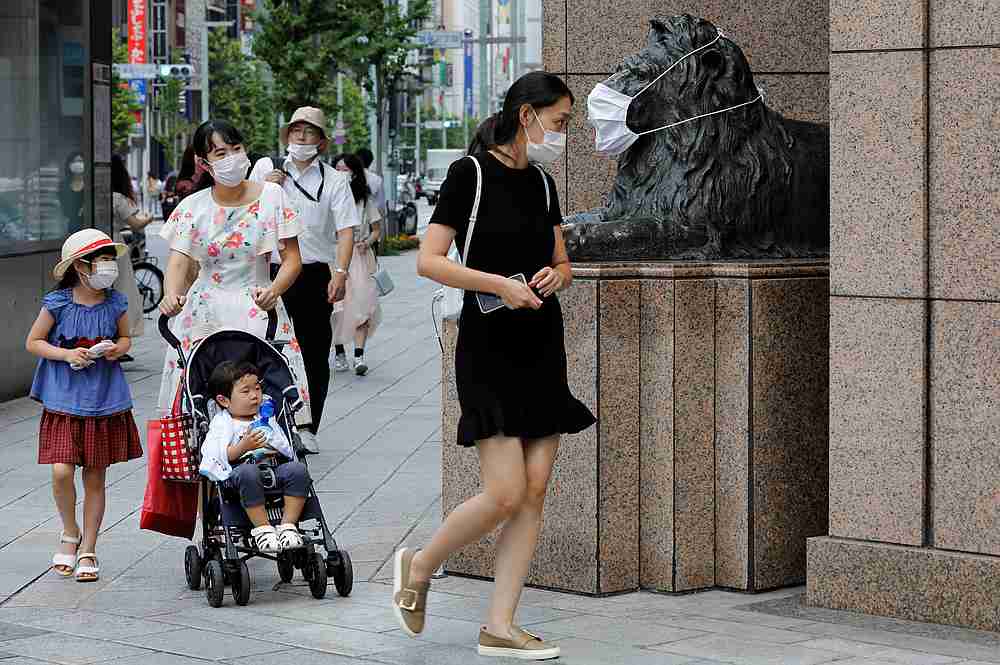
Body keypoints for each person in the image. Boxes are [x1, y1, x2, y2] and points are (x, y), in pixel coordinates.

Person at [394, 72, 596, 660]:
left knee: (534, 492)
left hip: (541, 342)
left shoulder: (542, 182)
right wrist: (498, 287)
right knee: (505, 492)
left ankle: (500, 626)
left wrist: (557, 276)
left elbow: (561, 260)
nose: (562, 133)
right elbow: (430, 261)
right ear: (527, 113)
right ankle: (421, 565)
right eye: (559, 121)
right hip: (488, 343)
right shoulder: (470, 174)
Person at [156, 119, 313, 431]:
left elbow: (292, 259)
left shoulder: (273, 197)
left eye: (236, 149)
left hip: (259, 305)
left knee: (266, 389)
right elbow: (177, 262)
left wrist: (275, 290)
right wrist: (171, 295)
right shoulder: (192, 207)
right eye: (220, 153)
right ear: (203, 162)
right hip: (203, 311)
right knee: (194, 393)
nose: (232, 158)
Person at [25, 229, 143, 583]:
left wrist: (115, 349)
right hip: (63, 399)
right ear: (80, 265)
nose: (108, 267)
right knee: (61, 471)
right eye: (101, 260)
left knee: (95, 477)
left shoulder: (116, 303)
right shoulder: (57, 303)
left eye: (110, 259)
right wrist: (66, 354)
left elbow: (125, 338)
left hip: (103, 400)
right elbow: (34, 342)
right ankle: (69, 530)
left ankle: (89, 547)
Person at [251, 107, 360, 438]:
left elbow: (345, 231)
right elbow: (242, 213)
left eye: (309, 131)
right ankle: (271, 423)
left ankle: (308, 425)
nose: (301, 136)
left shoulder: (335, 180)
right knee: (267, 349)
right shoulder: (266, 170)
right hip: (269, 274)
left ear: (322, 142)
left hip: (313, 276)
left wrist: (340, 273)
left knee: (313, 352)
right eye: (296, 130)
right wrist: (261, 191)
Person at [199, 361, 309, 552]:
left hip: (272, 467)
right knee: (249, 473)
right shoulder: (223, 422)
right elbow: (216, 453)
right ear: (224, 400)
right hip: (240, 473)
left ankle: (288, 526)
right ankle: (263, 528)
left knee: (298, 470)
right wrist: (243, 446)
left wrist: (272, 442)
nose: (254, 395)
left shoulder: (266, 418)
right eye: (246, 391)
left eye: (257, 388)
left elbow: (284, 447)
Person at [330, 153, 382, 376]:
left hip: (359, 260)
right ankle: (339, 352)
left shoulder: (364, 199)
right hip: (333, 256)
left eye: (346, 169)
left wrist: (366, 242)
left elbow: (377, 229)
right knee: (336, 307)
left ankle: (359, 355)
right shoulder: (328, 197)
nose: (342, 173)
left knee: (362, 305)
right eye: (338, 169)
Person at [111, 154, 152, 349]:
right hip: (115, 247)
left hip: (95, 244)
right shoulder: (117, 198)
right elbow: (136, 224)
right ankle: (119, 336)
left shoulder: (96, 195)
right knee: (121, 290)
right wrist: (149, 218)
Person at [59, 153, 87, 234]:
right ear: (69, 165)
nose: (77, 163)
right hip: (72, 228)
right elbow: (64, 210)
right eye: (74, 161)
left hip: (88, 225)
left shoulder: (89, 183)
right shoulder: (64, 185)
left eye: (80, 161)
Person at [356, 148, 386, 220]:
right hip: (370, 220)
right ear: (371, 161)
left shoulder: (349, 177)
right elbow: (381, 204)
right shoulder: (377, 179)